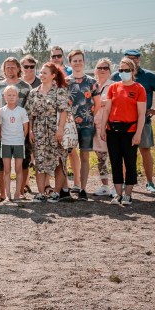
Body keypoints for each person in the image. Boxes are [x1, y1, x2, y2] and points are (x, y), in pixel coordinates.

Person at [112, 49, 155, 193]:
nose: (133, 60)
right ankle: (124, 181)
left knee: (145, 150)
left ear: (139, 60)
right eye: (130, 58)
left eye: (136, 58)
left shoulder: (149, 76)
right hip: (123, 123)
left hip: (142, 121)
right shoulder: (116, 76)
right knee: (124, 153)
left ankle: (150, 182)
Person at [101, 57, 147, 206]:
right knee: (115, 162)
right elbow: (107, 109)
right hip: (112, 130)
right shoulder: (113, 87)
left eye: (126, 70)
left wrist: (138, 134)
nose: (123, 72)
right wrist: (102, 128)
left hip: (130, 131)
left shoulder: (139, 88)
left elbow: (141, 114)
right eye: (120, 70)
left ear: (133, 71)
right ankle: (118, 194)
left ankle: (128, 194)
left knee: (130, 162)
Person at [25, 63, 71, 203]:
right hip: (38, 131)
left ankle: (56, 192)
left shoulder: (60, 91)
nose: (41, 75)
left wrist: (60, 129)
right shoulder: (33, 92)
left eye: (45, 73)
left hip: (55, 131)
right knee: (40, 162)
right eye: (41, 72)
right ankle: (40, 193)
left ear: (53, 75)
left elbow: (64, 111)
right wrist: (31, 130)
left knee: (58, 161)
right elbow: (30, 114)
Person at [0, 57, 32, 202]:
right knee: (1, 163)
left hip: (21, 131)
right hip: (3, 131)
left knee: (24, 162)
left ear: (18, 68)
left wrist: (29, 131)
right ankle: (2, 193)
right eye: (7, 67)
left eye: (13, 67)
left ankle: (20, 192)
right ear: (4, 69)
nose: (10, 69)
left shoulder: (26, 87)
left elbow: (30, 110)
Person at [66, 49, 100, 200]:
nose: (78, 63)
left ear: (84, 62)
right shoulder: (65, 82)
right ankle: (67, 186)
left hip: (86, 124)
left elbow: (97, 104)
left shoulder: (92, 82)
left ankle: (83, 189)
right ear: (70, 63)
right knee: (68, 154)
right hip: (69, 125)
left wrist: (90, 117)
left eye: (80, 60)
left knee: (85, 155)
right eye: (75, 61)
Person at [0, 86, 29, 201]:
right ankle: (8, 194)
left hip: (18, 143)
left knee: (18, 169)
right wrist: (2, 138)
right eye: (9, 95)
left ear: (17, 97)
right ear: (4, 97)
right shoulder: (1, 111)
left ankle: (17, 193)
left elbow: (25, 128)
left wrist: (21, 138)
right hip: (6, 143)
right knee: (7, 170)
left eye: (13, 95)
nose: (11, 97)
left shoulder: (21, 111)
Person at [92, 58, 115, 196]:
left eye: (105, 68)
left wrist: (98, 103)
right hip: (95, 125)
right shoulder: (93, 85)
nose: (102, 70)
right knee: (100, 157)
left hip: (109, 125)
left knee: (114, 156)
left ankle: (116, 185)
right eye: (99, 67)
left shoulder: (113, 86)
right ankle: (105, 185)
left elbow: (113, 103)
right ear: (95, 70)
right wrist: (102, 102)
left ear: (109, 71)